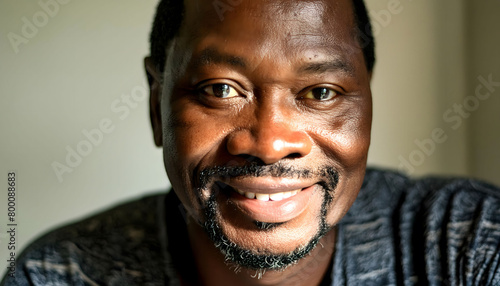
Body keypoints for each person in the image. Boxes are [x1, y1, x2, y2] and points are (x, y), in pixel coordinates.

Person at [2, 0, 500, 285]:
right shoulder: (59, 274)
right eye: (220, 90)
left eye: (320, 93)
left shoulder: (468, 247)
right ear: (157, 105)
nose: (269, 143)